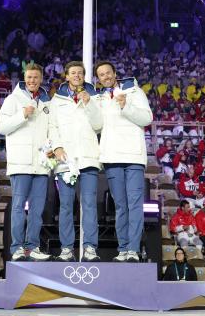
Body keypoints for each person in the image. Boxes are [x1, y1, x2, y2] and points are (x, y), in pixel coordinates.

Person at [95, 61, 153, 262]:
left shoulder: (134, 91)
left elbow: (147, 118)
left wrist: (125, 105)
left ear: (114, 73)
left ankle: (133, 250)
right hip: (112, 158)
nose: (106, 77)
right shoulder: (99, 98)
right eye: (101, 75)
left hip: (133, 158)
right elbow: (96, 125)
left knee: (135, 205)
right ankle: (122, 249)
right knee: (120, 206)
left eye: (108, 73)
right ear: (99, 79)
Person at [0, 63, 51, 262]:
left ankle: (32, 246)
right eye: (29, 77)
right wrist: (22, 115)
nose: (32, 81)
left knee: (37, 209)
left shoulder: (47, 102)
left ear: (41, 78)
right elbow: (1, 127)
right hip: (20, 163)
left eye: (36, 77)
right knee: (19, 206)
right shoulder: (13, 99)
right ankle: (17, 247)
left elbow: (50, 131)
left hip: (42, 164)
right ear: (24, 78)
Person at [49, 60, 103, 263]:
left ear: (84, 76)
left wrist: (89, 103)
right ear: (67, 76)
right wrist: (57, 147)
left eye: (80, 73)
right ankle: (66, 249)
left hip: (89, 157)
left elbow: (99, 125)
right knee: (65, 205)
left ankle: (90, 248)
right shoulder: (57, 99)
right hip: (66, 160)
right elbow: (52, 126)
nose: (77, 76)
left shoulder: (94, 97)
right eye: (73, 73)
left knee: (89, 205)